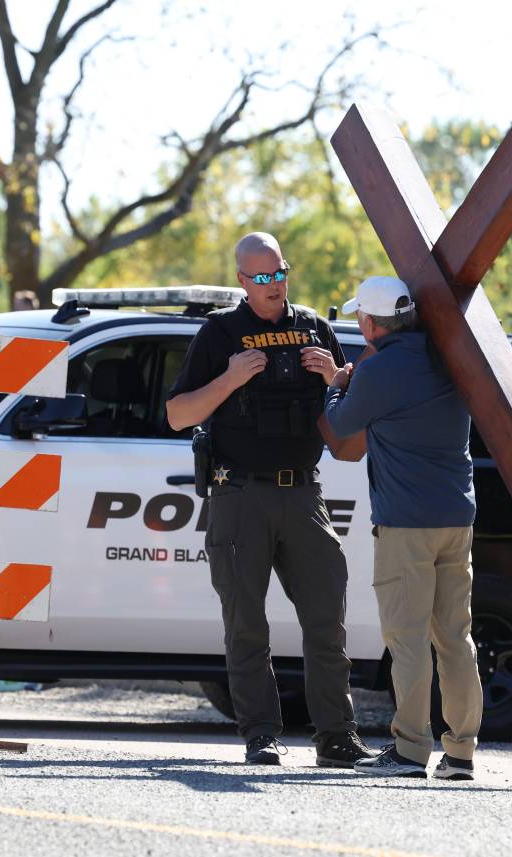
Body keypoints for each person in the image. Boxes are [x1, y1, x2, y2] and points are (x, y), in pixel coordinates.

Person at [166, 232, 373, 767]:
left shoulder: (314, 328)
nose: (273, 284)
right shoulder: (220, 333)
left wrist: (335, 378)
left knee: (327, 620)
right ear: (241, 281)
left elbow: (347, 424)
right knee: (246, 624)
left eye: (279, 272)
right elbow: (178, 414)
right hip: (240, 495)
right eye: (261, 277)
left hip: (304, 492)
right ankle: (261, 735)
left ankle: (337, 736)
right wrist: (229, 380)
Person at [323, 275, 482, 780]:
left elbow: (339, 428)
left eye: (358, 318)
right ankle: (460, 754)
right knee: (456, 638)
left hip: (405, 525)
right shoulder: (448, 356)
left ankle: (410, 751)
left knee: (408, 640)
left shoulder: (379, 369)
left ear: (371, 324)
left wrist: (335, 385)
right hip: (457, 519)